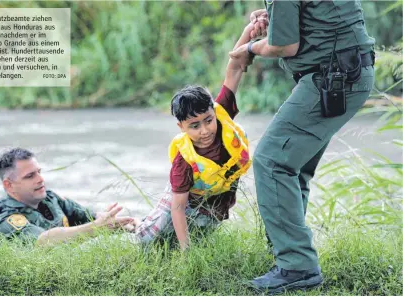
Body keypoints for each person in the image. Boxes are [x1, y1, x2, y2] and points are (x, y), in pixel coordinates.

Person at [229, 1, 375, 293]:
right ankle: (287, 256)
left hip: (334, 76)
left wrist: (249, 49)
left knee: (272, 160)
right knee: (292, 165)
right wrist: (275, 20)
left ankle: (297, 266)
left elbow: (285, 47)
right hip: (345, 71)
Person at [134, 22, 267, 250]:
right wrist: (188, 254)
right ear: (181, 127)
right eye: (194, 126)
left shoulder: (222, 115)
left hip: (213, 202)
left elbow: (234, 67)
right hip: (182, 198)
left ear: (214, 113)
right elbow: (177, 208)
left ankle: (181, 242)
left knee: (194, 241)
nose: (205, 131)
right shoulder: (183, 161)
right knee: (148, 239)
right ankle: (135, 225)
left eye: (208, 120)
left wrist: (248, 32)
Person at [0, 148, 138, 246]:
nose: (40, 179)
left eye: (39, 172)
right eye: (30, 176)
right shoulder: (5, 219)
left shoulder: (51, 198)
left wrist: (122, 223)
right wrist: (97, 228)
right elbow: (44, 241)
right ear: (9, 185)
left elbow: (89, 217)